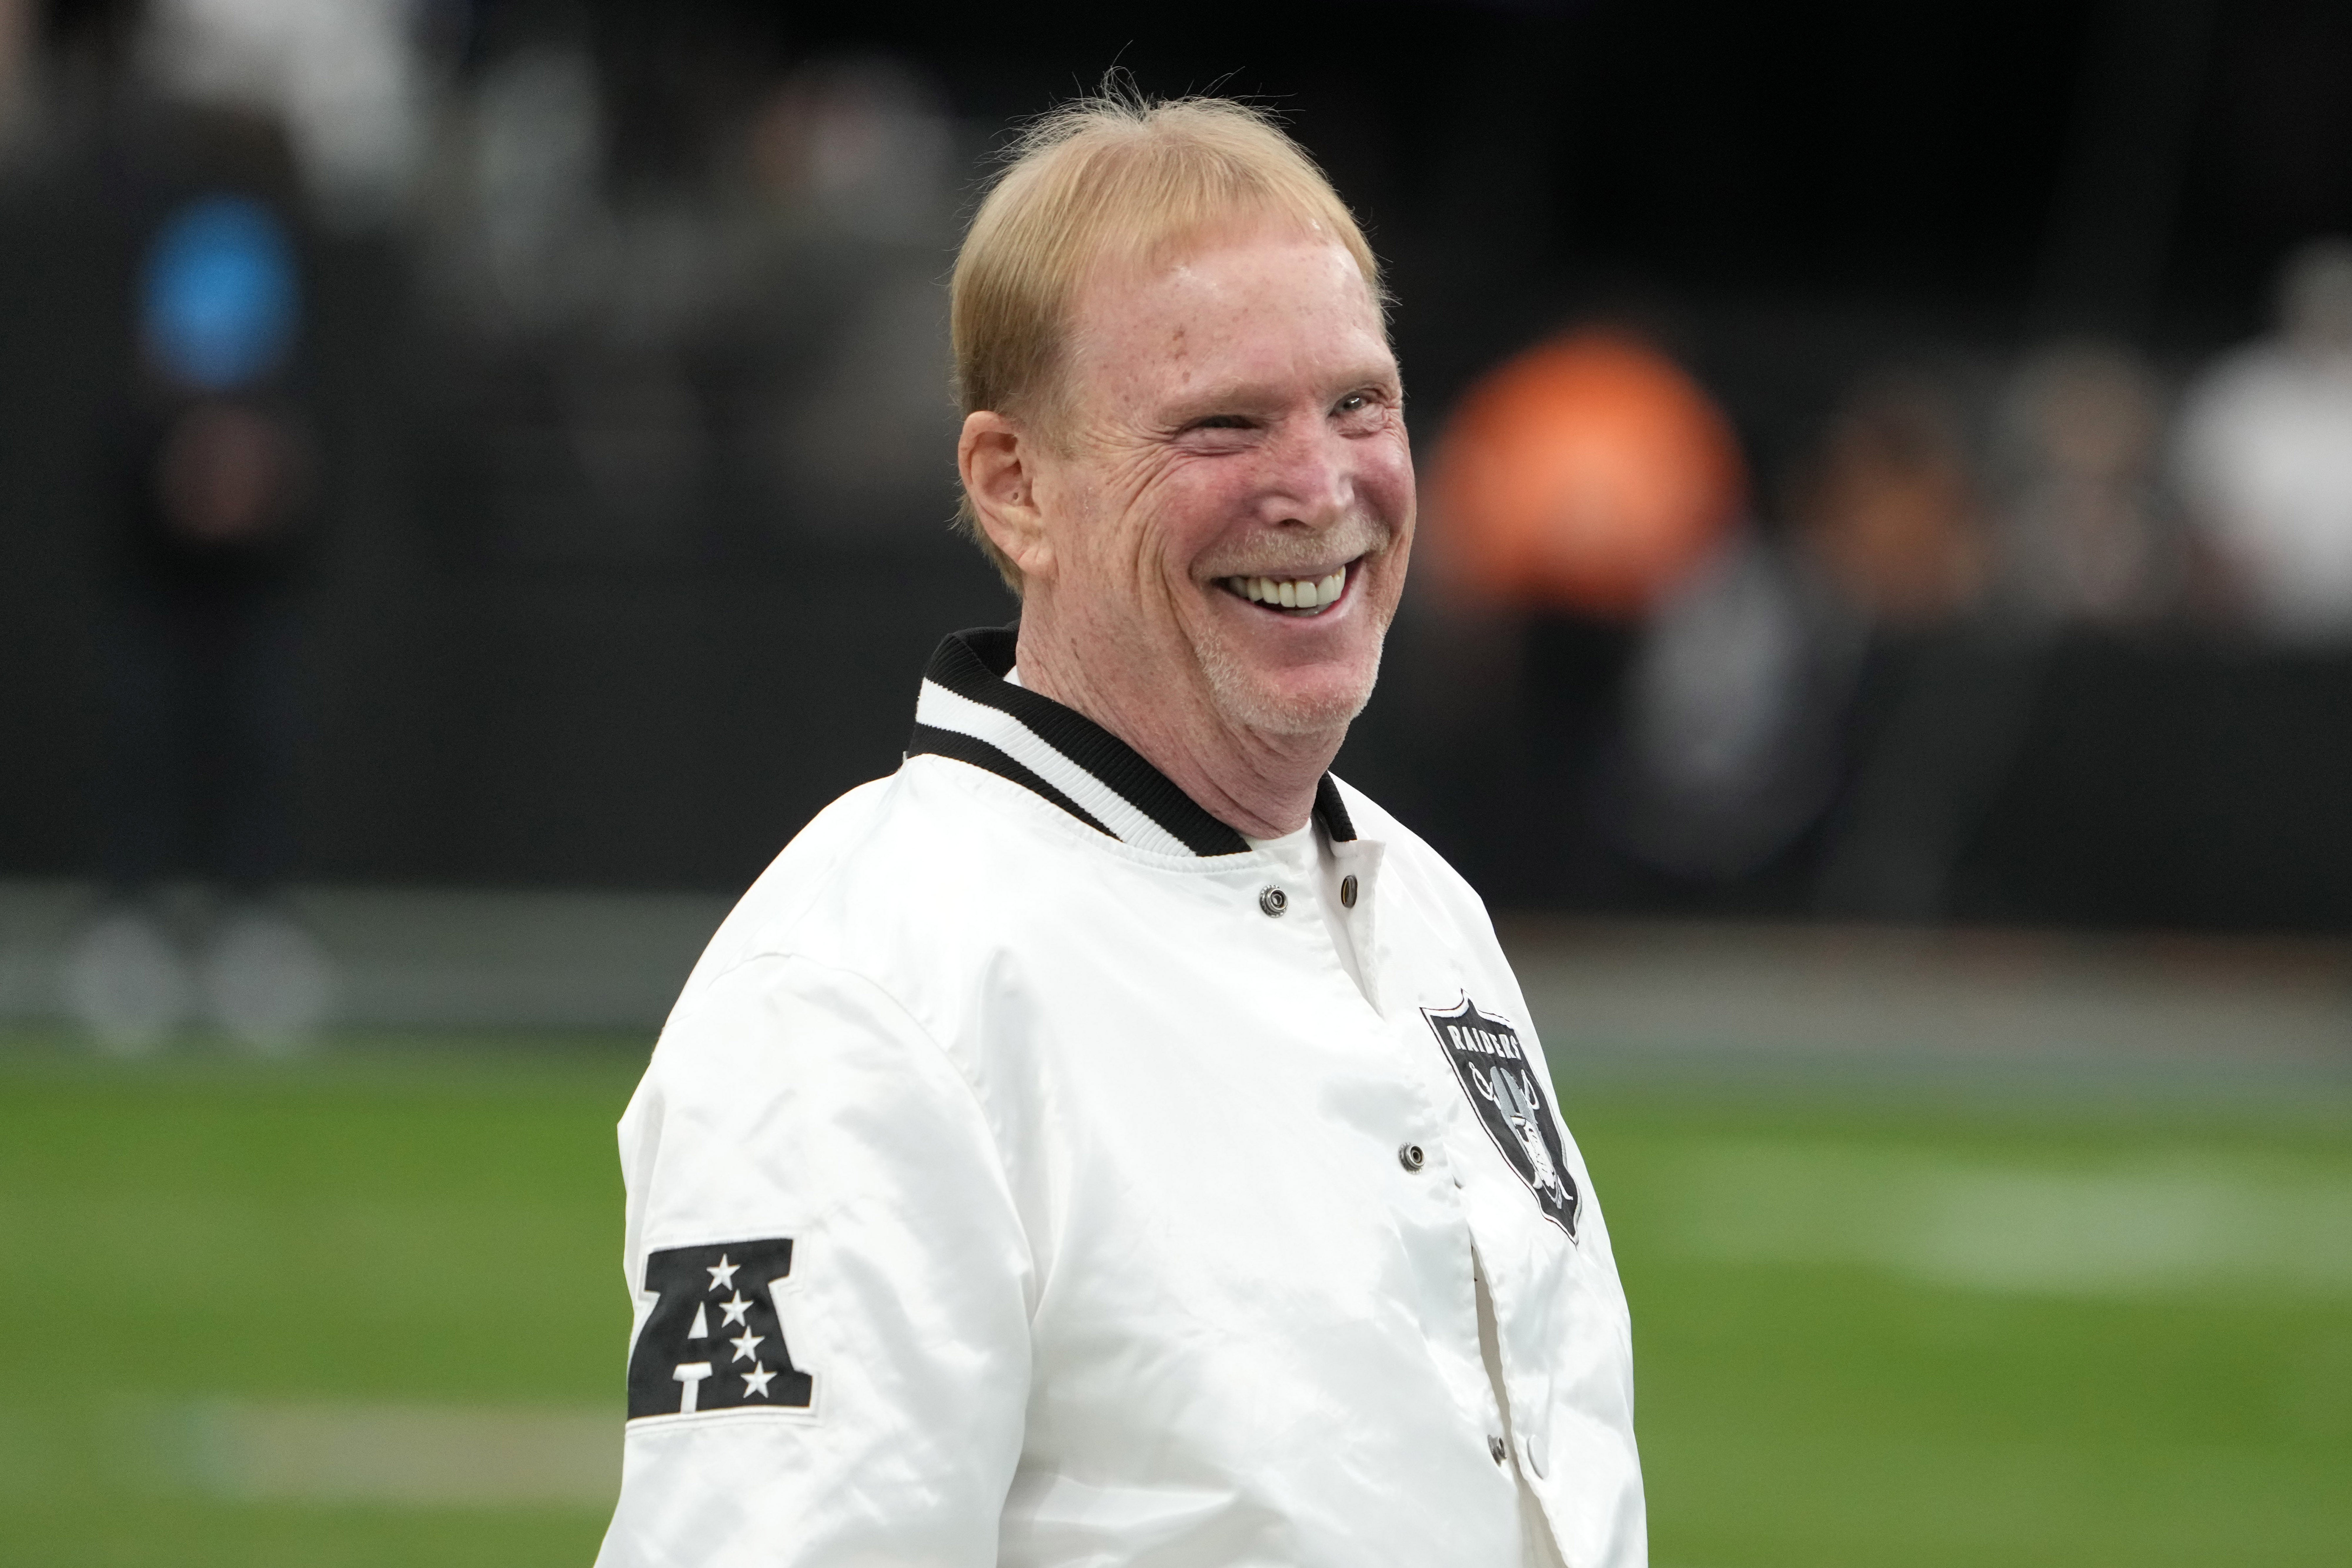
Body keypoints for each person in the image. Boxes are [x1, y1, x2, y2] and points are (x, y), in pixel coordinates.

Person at [596, 91, 1643, 1568]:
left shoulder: (1421, 907)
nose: (1321, 485)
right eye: (1223, 424)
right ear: (1015, 487)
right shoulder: (865, 983)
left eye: (1360, 402)